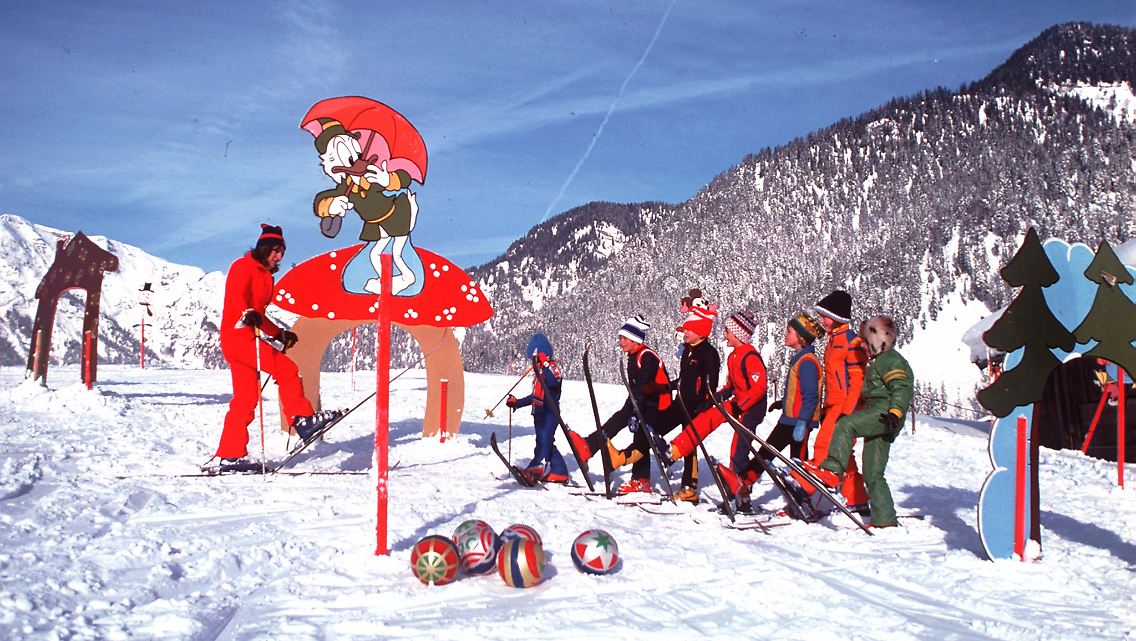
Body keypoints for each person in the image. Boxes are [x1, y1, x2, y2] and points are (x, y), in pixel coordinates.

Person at [215, 224, 341, 471]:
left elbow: (259, 314)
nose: (278, 256)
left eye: (281, 251)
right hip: (238, 336)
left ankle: (230, 456)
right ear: (262, 249)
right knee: (286, 369)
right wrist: (246, 312)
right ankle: (303, 419)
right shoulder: (242, 267)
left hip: (243, 337)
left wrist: (279, 333)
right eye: (274, 251)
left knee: (245, 400)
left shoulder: (265, 275)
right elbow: (236, 297)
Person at [806, 315, 914, 529]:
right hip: (881, 414)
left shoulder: (891, 361)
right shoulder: (878, 362)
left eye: (866, 342)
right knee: (873, 471)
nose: (862, 345)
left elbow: (901, 389)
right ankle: (885, 519)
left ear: (878, 340)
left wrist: (894, 413)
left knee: (845, 425)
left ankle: (832, 470)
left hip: (884, 413)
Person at [659, 310, 767, 509]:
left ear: (739, 335)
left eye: (728, 332)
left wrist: (740, 406)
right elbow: (731, 387)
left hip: (751, 410)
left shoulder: (750, 356)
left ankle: (742, 497)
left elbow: (759, 388)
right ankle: (675, 449)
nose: (725, 335)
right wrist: (713, 401)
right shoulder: (734, 356)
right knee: (705, 419)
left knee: (739, 450)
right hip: (738, 403)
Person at [619, 303, 721, 502]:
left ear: (700, 331)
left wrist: (706, 404)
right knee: (648, 430)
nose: (684, 332)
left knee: (689, 445)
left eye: (688, 330)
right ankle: (638, 474)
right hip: (680, 403)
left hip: (695, 407)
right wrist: (665, 387)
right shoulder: (688, 351)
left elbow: (711, 384)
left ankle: (689, 488)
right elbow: (685, 379)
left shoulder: (709, 354)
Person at [565, 315, 671, 494]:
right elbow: (638, 388)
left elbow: (647, 383)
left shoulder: (647, 356)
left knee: (641, 437)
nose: (620, 342)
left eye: (624, 338)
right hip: (641, 401)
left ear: (635, 339)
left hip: (656, 404)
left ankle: (641, 480)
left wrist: (637, 409)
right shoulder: (634, 356)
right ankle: (589, 446)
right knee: (618, 420)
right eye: (620, 338)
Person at [739, 312, 823, 491]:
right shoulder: (801, 359)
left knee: (797, 462)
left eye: (789, 331)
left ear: (801, 337)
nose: (785, 334)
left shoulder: (807, 362)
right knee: (767, 453)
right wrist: (783, 403)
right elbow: (799, 393)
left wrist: (802, 423)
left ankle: (802, 496)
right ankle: (743, 484)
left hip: (798, 422)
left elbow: (810, 396)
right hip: (790, 420)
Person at [810, 290, 871, 509]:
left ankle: (806, 494)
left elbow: (858, 381)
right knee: (845, 456)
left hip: (845, 408)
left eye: (824, 316)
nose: (821, 321)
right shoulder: (833, 341)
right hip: (833, 406)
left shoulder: (851, 342)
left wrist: (847, 413)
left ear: (837, 317)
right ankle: (858, 499)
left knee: (823, 447)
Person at [506, 333, 570, 484]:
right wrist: (517, 403)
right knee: (546, 443)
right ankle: (559, 472)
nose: (532, 362)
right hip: (539, 414)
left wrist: (545, 364)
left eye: (533, 358)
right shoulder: (539, 372)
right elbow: (535, 396)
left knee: (543, 443)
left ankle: (534, 469)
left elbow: (554, 382)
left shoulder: (552, 368)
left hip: (550, 414)